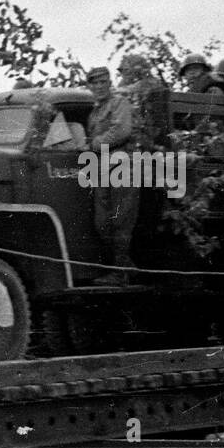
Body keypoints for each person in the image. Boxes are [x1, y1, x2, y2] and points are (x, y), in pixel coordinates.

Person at [85, 66, 138, 284]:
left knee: (120, 219)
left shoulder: (119, 103)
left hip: (121, 165)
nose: (98, 87)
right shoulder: (95, 112)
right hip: (102, 168)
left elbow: (121, 130)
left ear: (109, 83)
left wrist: (94, 144)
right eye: (94, 83)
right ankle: (124, 266)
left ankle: (120, 272)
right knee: (102, 222)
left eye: (102, 83)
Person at [117, 53, 167, 150]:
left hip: (149, 129)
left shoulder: (150, 82)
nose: (124, 74)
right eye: (122, 71)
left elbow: (135, 89)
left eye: (127, 70)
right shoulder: (124, 83)